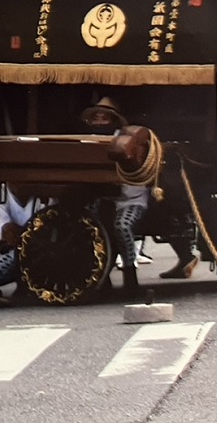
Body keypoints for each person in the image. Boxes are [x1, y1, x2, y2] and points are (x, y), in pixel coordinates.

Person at [81, 97, 147, 295]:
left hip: (131, 199)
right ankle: (102, 275)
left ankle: (130, 274)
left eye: (104, 118)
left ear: (114, 120)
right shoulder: (87, 142)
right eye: (96, 119)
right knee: (88, 225)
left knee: (123, 226)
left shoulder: (129, 141)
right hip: (104, 199)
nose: (100, 122)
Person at [0, 184, 50, 286]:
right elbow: (8, 231)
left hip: (37, 254)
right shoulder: (2, 191)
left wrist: (19, 235)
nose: (19, 187)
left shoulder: (44, 196)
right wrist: (27, 234)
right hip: (15, 252)